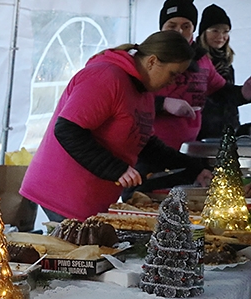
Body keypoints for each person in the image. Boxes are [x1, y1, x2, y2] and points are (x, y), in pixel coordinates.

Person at [20, 30, 208, 221]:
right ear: (152, 61)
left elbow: (144, 143)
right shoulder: (106, 76)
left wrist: (192, 167)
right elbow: (68, 129)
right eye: (172, 74)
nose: (173, 81)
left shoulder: (143, 92)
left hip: (91, 198)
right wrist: (116, 169)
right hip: (62, 193)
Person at [151, 0, 251, 149]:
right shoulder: (149, 56)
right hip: (150, 149)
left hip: (192, 148)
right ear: (162, 27)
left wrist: (244, 93)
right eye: (172, 25)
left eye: (186, 26)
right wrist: (162, 104)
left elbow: (220, 91)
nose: (179, 31)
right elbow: (126, 99)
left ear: (193, 29)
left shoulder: (202, 59)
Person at [195, 4, 247, 139]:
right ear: (203, 32)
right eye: (215, 31)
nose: (221, 36)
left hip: (228, 129)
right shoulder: (195, 59)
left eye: (225, 31)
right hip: (202, 131)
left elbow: (228, 98)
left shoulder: (227, 62)